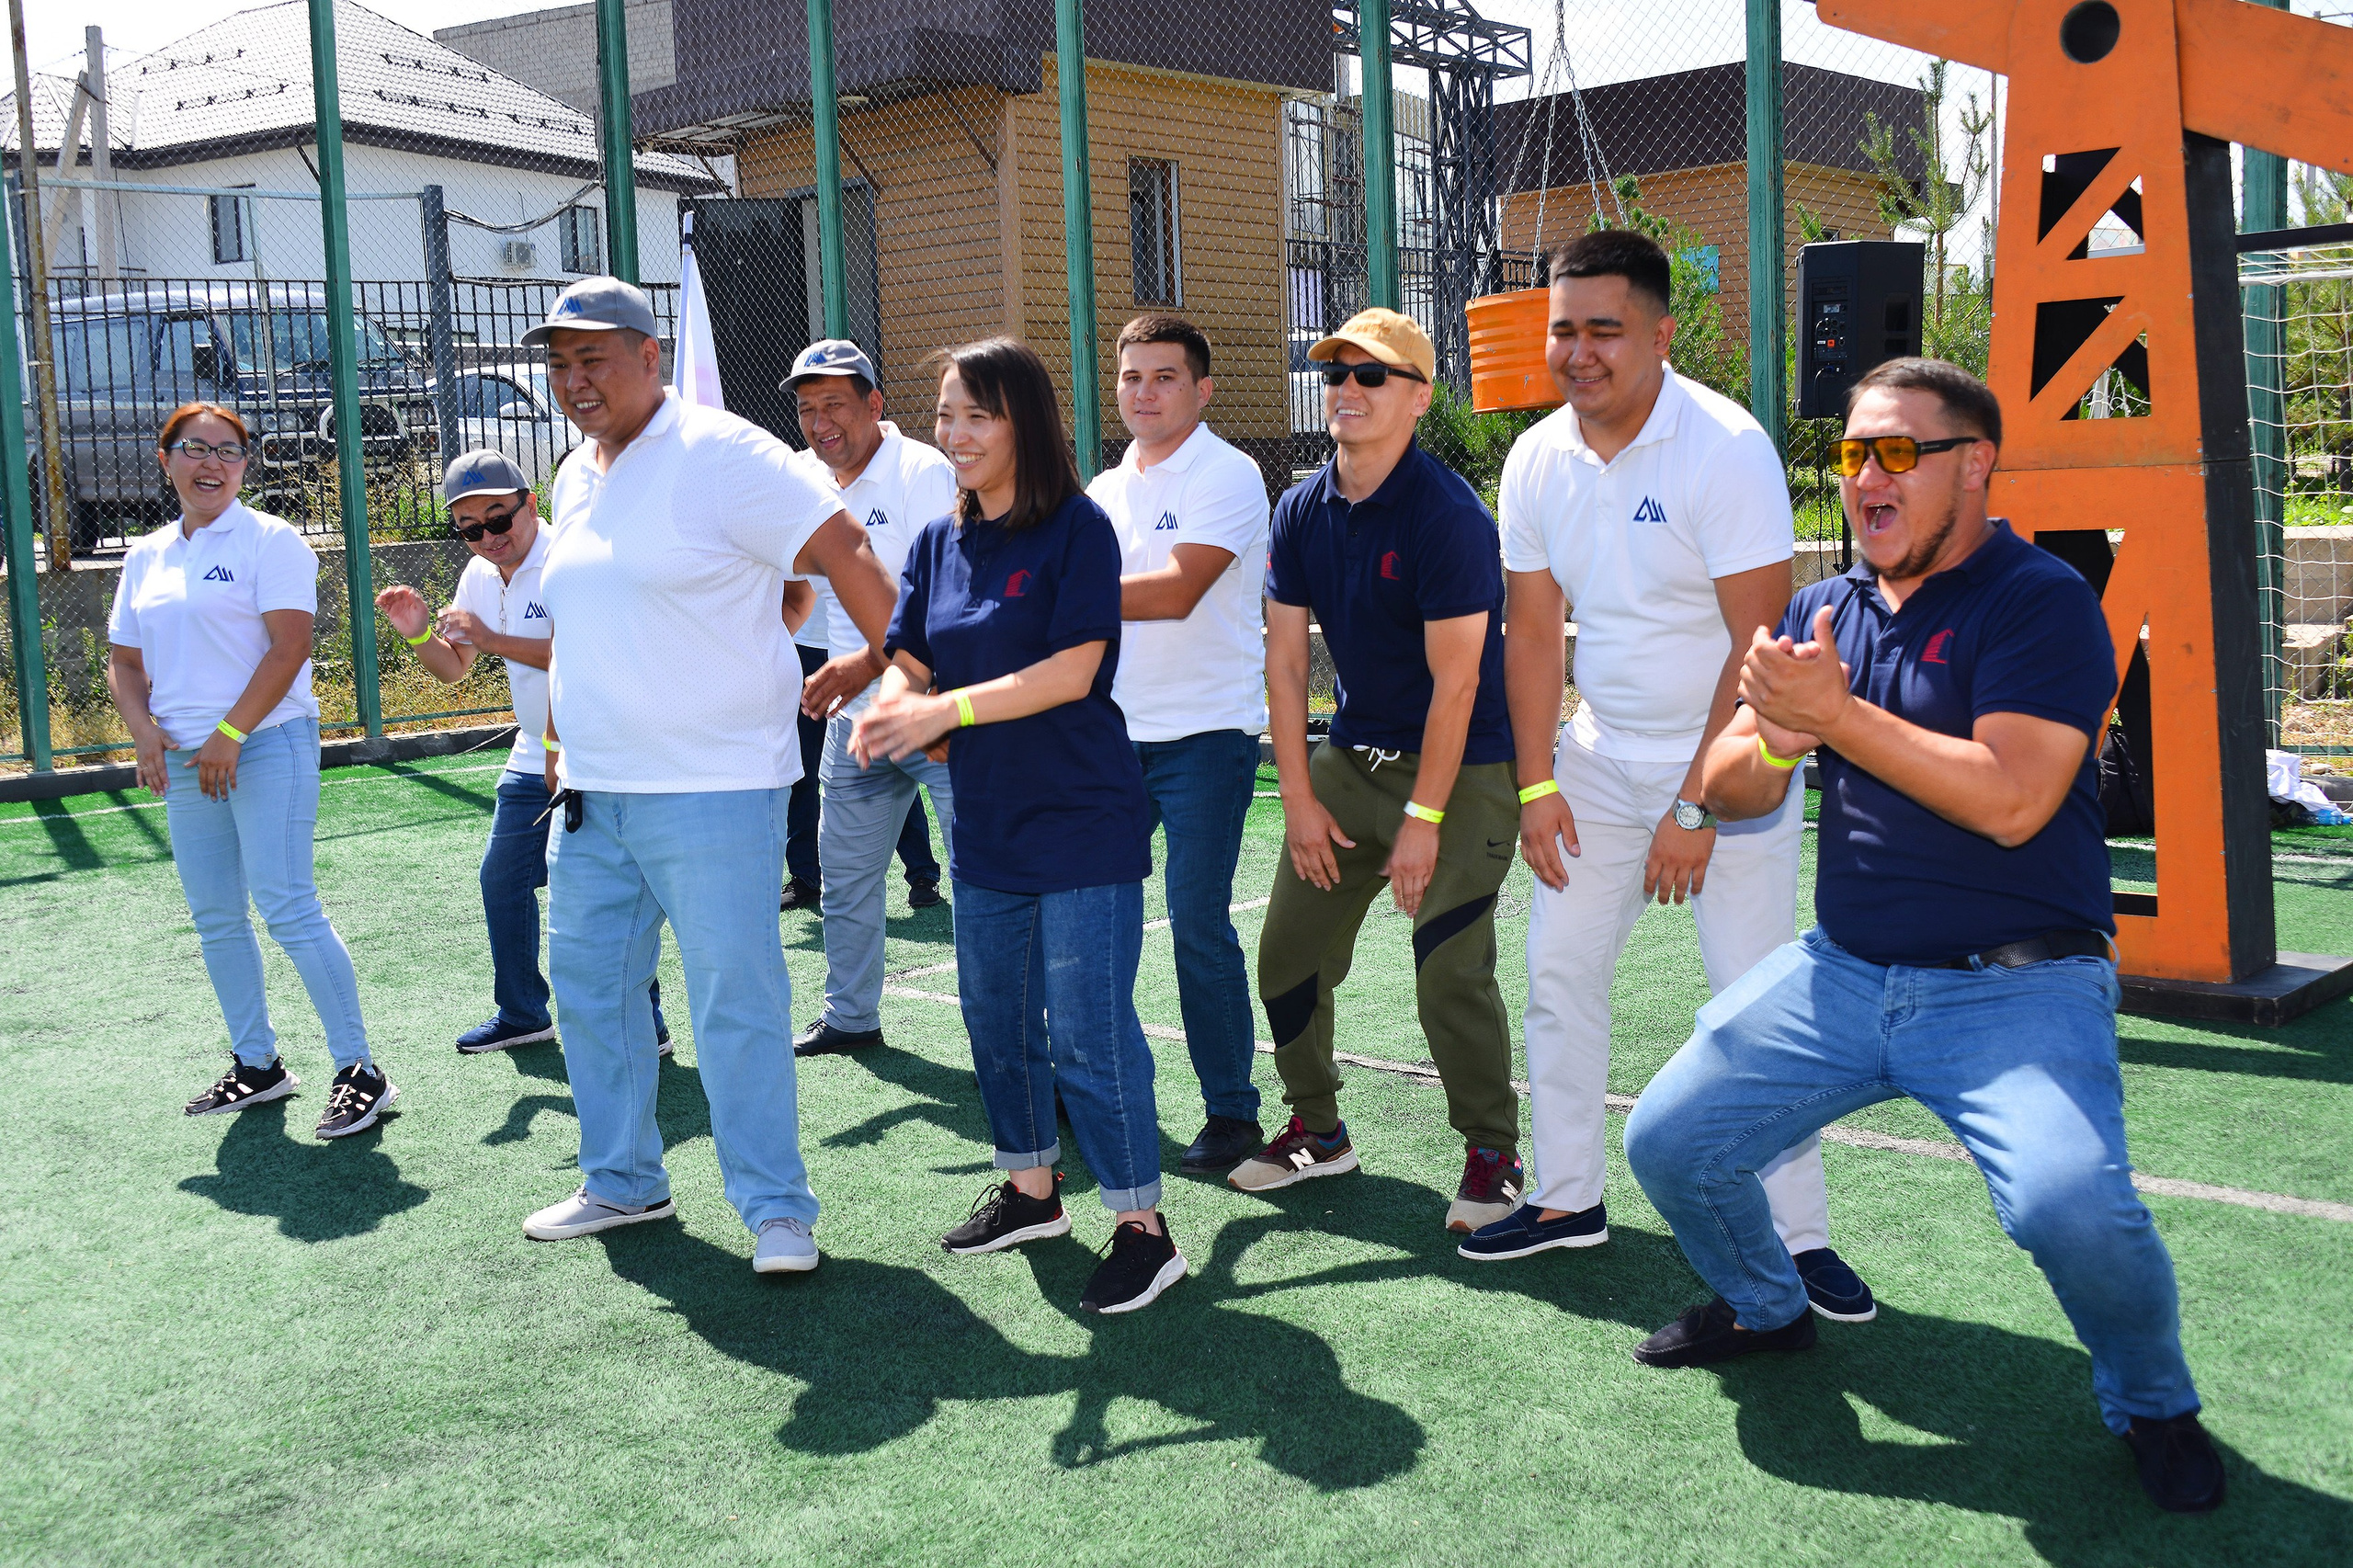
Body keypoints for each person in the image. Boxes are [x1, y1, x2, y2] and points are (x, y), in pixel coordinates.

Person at [1621, 358, 2223, 1514]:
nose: (1865, 477)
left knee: (2070, 1206)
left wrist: (1834, 714)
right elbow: (1735, 780)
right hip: (1841, 972)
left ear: (1974, 463)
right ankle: (1766, 1305)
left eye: (1897, 450)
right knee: (1669, 1141)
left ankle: (2152, 1399)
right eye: (1852, 454)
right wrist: (1775, 738)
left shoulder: (2037, 598)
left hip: (2016, 988)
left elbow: (2011, 798)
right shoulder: (1823, 609)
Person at [1461, 231, 1875, 1319]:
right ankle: (1564, 1198)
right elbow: (1535, 634)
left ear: (1659, 333)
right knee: (1556, 972)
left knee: (1755, 1007)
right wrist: (1539, 784)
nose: (1578, 351)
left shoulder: (1724, 448)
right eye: (1563, 328)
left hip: (1732, 756)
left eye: (1604, 328)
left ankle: (1799, 1238)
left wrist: (1698, 801)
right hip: (1598, 758)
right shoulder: (1536, 458)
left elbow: (1761, 648)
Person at [514, 277, 900, 1278]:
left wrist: (904, 668)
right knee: (591, 992)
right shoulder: (573, 473)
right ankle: (623, 1180)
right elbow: (588, 621)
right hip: (594, 797)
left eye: (593, 357)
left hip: (717, 788)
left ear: (649, 355)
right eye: (559, 363)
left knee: (734, 1001)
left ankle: (776, 1210)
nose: (573, 380)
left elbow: (845, 552)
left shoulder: (725, 452)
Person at [850, 336, 1185, 1314]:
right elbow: (909, 656)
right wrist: (888, 699)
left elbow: (1072, 671)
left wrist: (941, 713)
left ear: (1022, 423)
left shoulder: (1078, 531)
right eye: (946, 414)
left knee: (1087, 1031)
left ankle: (1143, 1227)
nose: (954, 433)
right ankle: (1033, 1191)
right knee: (995, 1019)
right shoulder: (935, 541)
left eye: (976, 416)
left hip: (1083, 821)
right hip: (988, 825)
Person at [1229, 308, 1523, 1234]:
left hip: (1464, 767)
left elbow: (1457, 684)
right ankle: (1318, 1128)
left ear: (1420, 397)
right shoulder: (1301, 507)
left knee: (1446, 967)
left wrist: (1425, 820)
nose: (1347, 390)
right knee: (1285, 959)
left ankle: (1493, 1151)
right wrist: (1300, 801)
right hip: (1352, 758)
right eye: (1337, 373)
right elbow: (1282, 665)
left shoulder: (1447, 518)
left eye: (1373, 376)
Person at [108, 402, 394, 1138]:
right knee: (215, 918)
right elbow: (126, 661)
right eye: (196, 448)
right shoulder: (146, 555)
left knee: (288, 904)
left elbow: (288, 649)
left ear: (246, 463)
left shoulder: (272, 540)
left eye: (229, 451)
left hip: (266, 745)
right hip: (183, 760)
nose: (213, 463)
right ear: (165, 458)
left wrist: (231, 733)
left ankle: (361, 1070)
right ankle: (257, 1065)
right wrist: (144, 735)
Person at [375, 450, 669, 1058]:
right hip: (534, 749)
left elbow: (585, 656)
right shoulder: (481, 574)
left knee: (601, 893)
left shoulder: (572, 560)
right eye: (470, 529)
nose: (487, 538)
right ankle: (522, 1013)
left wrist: (492, 639)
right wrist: (419, 633)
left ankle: (648, 1023)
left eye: (498, 520)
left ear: (529, 504)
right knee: (501, 880)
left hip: (599, 752)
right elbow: (456, 668)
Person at [1086, 314, 1271, 1175]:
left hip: (1205, 739)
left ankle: (1232, 1114)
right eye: (1131, 377)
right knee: (1092, 927)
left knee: (1197, 926)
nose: (1144, 393)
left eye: (1163, 377)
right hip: (1108, 740)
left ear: (1202, 390)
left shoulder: (1229, 473)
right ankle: (1092, 1095)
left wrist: (1064, 592)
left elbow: (1177, 591)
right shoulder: (1100, 490)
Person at [779, 340, 961, 1058]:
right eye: (807, 409)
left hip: (940, 712)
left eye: (835, 405)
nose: (820, 422)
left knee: (982, 891)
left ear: (875, 405)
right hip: (855, 722)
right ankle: (851, 1016)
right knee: (844, 880)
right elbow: (783, 588)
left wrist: (864, 666)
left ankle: (1008, 1044)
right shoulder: (796, 476)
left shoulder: (924, 473)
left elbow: (945, 601)